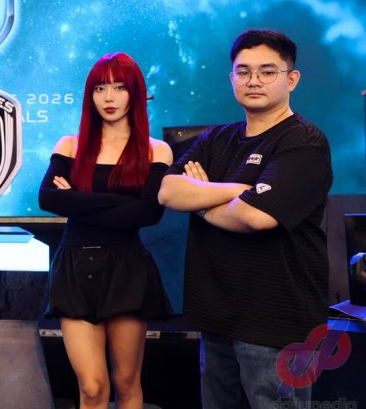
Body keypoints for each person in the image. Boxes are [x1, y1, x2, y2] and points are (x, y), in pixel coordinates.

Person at [158, 29, 333, 408]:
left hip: (277, 324)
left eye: (267, 71)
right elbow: (168, 191)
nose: (254, 80)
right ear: (232, 77)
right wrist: (238, 190)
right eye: (243, 71)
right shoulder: (216, 139)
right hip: (216, 318)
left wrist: (202, 198)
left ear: (292, 79)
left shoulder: (303, 141)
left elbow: (256, 217)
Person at [39, 52, 174, 409]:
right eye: (100, 89)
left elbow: (148, 213)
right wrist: (120, 203)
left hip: (127, 267)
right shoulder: (70, 145)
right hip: (74, 267)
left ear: (135, 93)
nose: (108, 97)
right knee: (92, 387)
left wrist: (78, 200)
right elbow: (48, 199)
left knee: (127, 383)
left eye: (118, 87)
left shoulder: (156, 151)